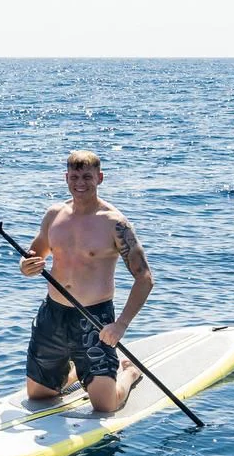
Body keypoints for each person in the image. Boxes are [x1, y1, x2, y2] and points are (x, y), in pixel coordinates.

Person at [17, 150, 151, 413]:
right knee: (38, 396)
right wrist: (26, 267)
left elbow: (144, 278)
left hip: (94, 320)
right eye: (75, 176)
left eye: (87, 176)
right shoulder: (54, 215)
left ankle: (129, 373)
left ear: (99, 178)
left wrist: (120, 325)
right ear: (66, 178)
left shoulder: (115, 224)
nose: (81, 183)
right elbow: (34, 256)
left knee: (106, 406)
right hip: (53, 315)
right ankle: (80, 372)